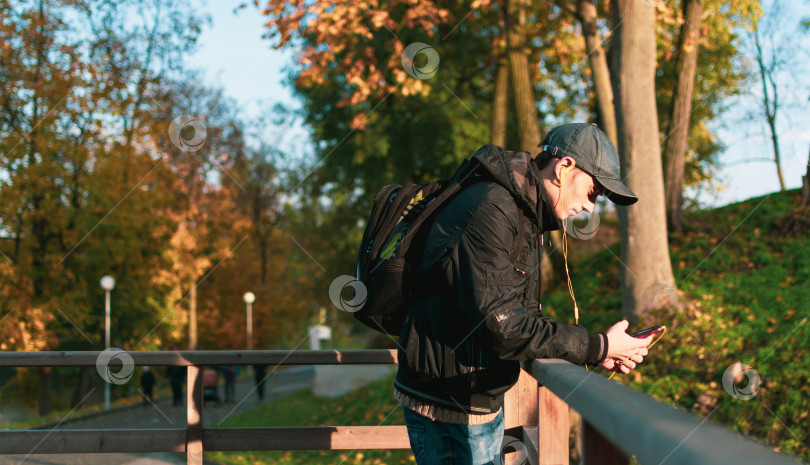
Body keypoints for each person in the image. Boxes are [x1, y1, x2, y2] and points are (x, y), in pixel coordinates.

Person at [394, 123, 653, 464]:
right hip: (450, 406)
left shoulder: (524, 212)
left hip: (474, 397)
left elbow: (522, 313)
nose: (592, 208)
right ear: (564, 169)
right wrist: (597, 345)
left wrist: (596, 350)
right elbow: (505, 328)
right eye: (593, 192)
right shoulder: (494, 207)